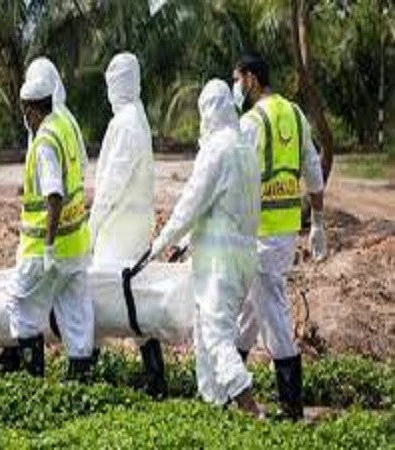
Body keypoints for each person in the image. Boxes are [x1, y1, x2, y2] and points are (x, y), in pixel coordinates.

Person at [149, 79, 262, 416]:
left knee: (215, 336)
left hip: (219, 264)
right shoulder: (245, 148)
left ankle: (250, 408)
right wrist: (185, 243)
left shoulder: (216, 149)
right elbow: (223, 207)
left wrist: (160, 243)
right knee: (204, 332)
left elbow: (191, 203)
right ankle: (214, 406)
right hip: (241, 257)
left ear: (208, 111)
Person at [232, 52, 327, 420]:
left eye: (237, 79)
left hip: (260, 236)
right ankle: (229, 385)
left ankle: (291, 404)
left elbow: (234, 176)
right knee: (250, 312)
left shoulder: (252, 122)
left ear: (252, 80)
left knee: (271, 313)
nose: (236, 87)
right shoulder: (295, 114)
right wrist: (317, 220)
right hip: (285, 232)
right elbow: (313, 168)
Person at [4, 70, 95, 381]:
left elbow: (54, 195)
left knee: (20, 306)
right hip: (77, 246)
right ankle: (80, 381)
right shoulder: (65, 127)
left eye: (25, 112)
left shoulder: (44, 141)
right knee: (75, 313)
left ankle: (35, 383)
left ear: (31, 110)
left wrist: (48, 247)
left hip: (45, 248)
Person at [88, 52, 166, 398]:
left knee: (100, 297)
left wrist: (93, 224)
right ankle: (155, 376)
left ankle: (85, 371)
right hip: (133, 226)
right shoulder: (137, 117)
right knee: (130, 300)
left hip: (118, 228)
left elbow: (111, 183)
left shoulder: (126, 123)